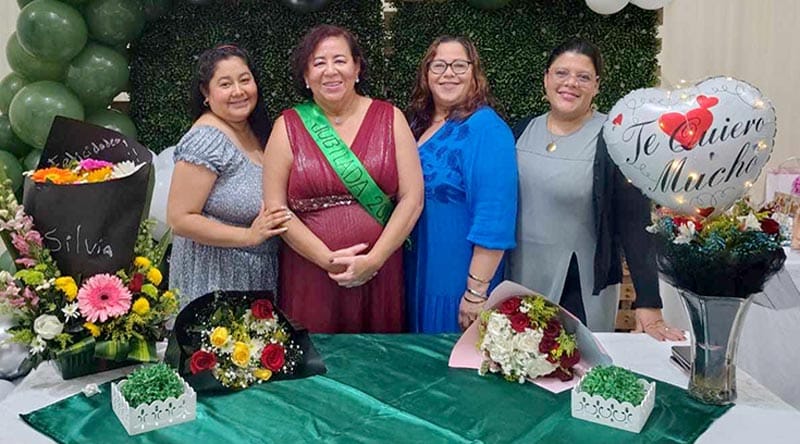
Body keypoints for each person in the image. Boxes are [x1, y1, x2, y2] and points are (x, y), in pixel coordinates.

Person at [508, 38, 684, 341]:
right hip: (517, 279)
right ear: (546, 79)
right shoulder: (518, 132)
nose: (571, 83)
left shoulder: (614, 141)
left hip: (579, 286)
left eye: (583, 77)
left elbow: (635, 224)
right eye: (561, 73)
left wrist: (648, 302)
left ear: (597, 86)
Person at [262, 25, 423, 333]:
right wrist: (327, 259)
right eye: (319, 63)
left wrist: (373, 260)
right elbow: (275, 208)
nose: (330, 71)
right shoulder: (287, 126)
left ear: (357, 68)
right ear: (306, 76)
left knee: (379, 354)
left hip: (379, 271)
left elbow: (412, 199)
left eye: (340, 60)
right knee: (316, 355)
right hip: (310, 272)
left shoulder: (391, 118)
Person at [405, 36, 518, 333]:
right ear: (426, 73)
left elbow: (494, 216)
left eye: (459, 65)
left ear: (474, 72)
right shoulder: (419, 124)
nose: (449, 73)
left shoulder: (487, 129)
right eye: (439, 65)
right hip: (417, 269)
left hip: (457, 278)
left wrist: (476, 291)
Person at [167, 45, 289, 307]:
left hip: (255, 280)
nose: (238, 91)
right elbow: (180, 219)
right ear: (206, 93)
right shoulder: (206, 139)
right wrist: (249, 236)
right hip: (213, 285)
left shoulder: (257, 131)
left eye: (244, 80)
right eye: (225, 84)